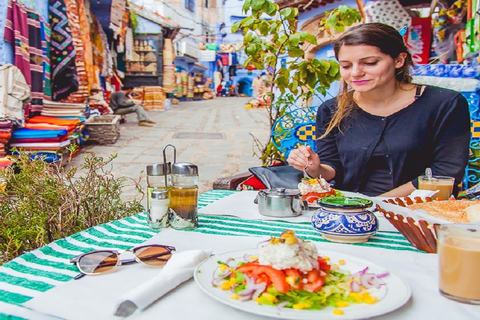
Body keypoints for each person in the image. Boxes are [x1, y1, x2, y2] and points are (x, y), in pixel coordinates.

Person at [287, 23, 470, 197]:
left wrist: (378, 205)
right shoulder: (331, 109)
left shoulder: (444, 104)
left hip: (420, 212)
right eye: (346, 66)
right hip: (349, 211)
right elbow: (332, 167)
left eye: (370, 63)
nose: (356, 73)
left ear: (399, 60)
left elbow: (445, 173)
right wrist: (314, 168)